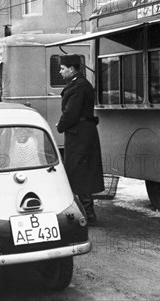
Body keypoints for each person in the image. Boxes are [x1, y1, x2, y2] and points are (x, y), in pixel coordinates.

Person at [56, 54, 104, 225]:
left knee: (80, 171)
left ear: (72, 68)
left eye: (62, 68)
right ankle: (86, 211)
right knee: (80, 171)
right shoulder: (79, 84)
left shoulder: (78, 86)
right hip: (82, 133)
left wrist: (60, 126)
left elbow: (71, 112)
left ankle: (88, 214)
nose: (60, 71)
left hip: (79, 134)